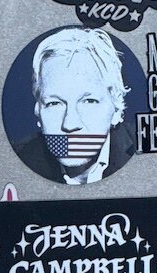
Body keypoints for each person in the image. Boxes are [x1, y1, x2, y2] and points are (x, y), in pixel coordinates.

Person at [14, 27, 135, 185]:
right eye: (54, 103)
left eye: (89, 101)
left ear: (116, 109)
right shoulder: (16, 161)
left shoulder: (147, 152)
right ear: (38, 111)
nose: (70, 124)